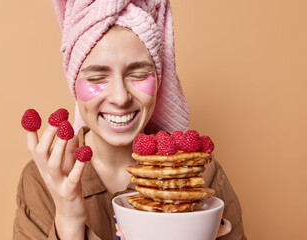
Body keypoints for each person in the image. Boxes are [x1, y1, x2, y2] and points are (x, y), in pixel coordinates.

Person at [13, 0, 246, 239]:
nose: (120, 97)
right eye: (96, 78)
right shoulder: (41, 180)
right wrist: (69, 221)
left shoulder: (200, 174)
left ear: (159, 78)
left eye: (138, 75)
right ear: (74, 83)